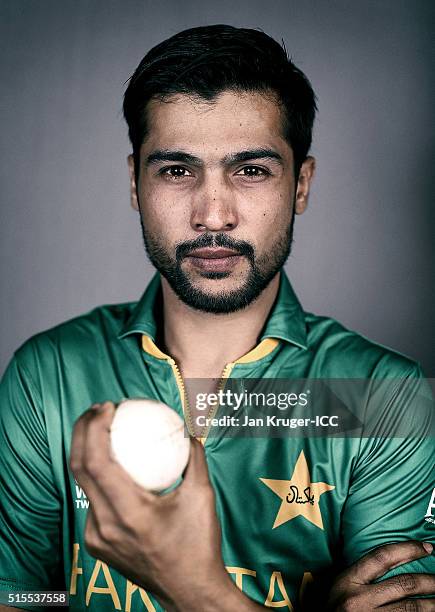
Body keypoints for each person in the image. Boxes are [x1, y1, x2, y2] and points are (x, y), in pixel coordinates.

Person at [0, 24, 433, 612]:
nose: (213, 214)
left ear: (300, 185)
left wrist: (194, 589)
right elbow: (24, 595)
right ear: (135, 182)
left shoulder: (386, 398)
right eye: (177, 170)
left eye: (251, 170)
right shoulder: (49, 373)